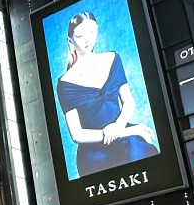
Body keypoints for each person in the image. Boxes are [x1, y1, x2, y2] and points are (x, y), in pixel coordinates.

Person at [56, 11, 158, 178]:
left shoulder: (112, 58)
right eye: (80, 35)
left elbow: (128, 102)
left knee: (139, 150)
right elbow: (77, 134)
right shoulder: (65, 83)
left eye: (92, 32)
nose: (87, 39)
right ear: (70, 41)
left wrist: (118, 127)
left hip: (124, 133)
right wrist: (124, 131)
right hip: (94, 152)